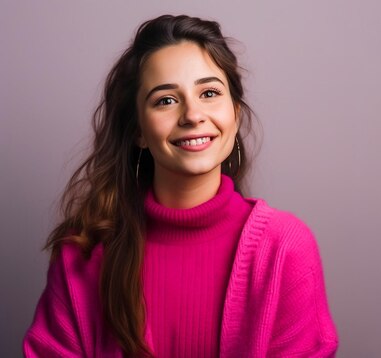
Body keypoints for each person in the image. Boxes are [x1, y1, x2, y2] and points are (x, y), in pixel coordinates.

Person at [22, 14, 339, 357]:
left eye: (209, 93)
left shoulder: (285, 250)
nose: (192, 115)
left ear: (235, 113)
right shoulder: (83, 255)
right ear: (139, 131)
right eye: (166, 100)